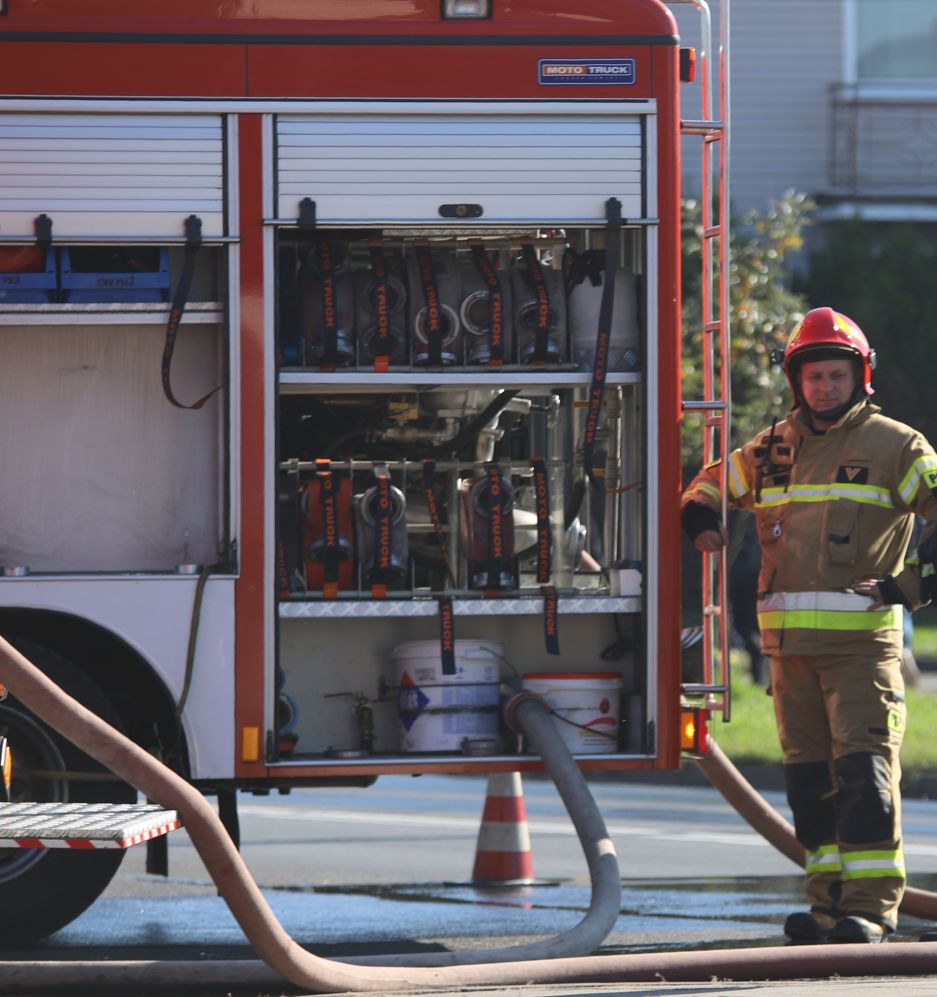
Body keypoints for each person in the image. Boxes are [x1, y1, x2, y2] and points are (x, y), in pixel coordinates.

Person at [682, 307, 937, 945]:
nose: (825, 387)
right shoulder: (771, 449)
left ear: (861, 377)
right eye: (814, 376)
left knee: (864, 778)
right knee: (809, 788)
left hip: (860, 654)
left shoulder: (896, 445)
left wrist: (908, 588)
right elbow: (709, 483)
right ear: (797, 380)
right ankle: (826, 909)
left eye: (836, 375)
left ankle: (872, 912)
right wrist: (702, 519)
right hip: (789, 657)